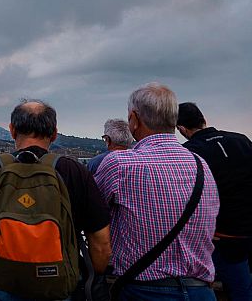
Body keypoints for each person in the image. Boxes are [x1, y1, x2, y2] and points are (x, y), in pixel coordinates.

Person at [0, 100, 112, 301]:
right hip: (59, 288)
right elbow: (101, 243)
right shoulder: (74, 171)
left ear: (12, 130)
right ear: (54, 133)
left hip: (3, 287)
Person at [95, 83, 220, 300]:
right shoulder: (201, 165)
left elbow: (92, 216)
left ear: (134, 120)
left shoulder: (120, 165)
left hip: (144, 290)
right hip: (200, 290)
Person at [177, 101, 252, 300]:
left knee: (239, 290)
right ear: (203, 119)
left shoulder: (190, 152)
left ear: (182, 129)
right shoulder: (242, 140)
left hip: (225, 236)